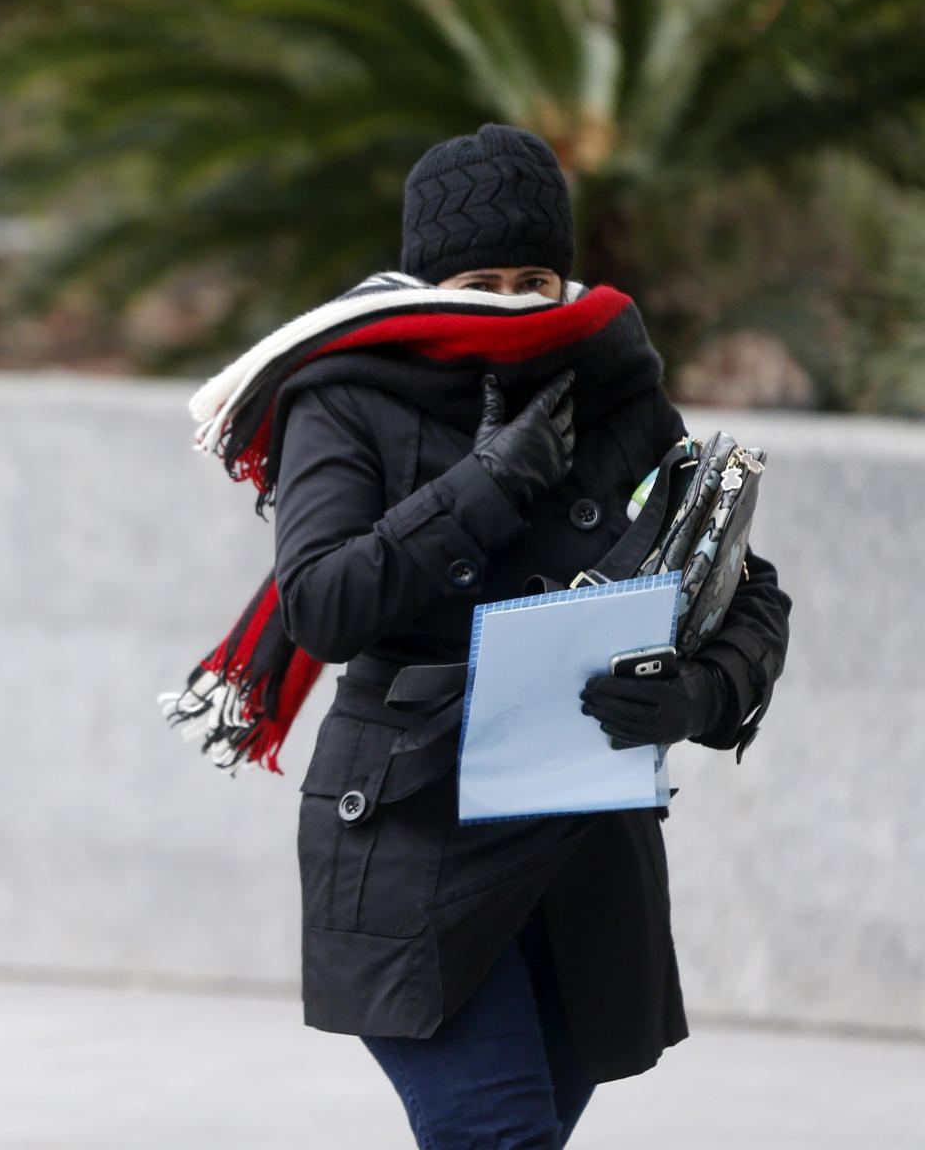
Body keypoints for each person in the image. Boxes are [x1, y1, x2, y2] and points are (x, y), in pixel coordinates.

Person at [174, 124, 791, 1148]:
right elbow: (319, 604)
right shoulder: (346, 395)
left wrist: (698, 694)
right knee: (495, 1135)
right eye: (480, 278)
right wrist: (487, 486)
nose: (509, 303)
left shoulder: (617, 390)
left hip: (578, 849)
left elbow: (745, 585)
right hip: (412, 834)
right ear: (425, 281)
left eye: (532, 277)